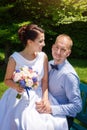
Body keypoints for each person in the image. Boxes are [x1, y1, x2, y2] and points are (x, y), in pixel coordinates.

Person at [0, 25, 68, 130]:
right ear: (30, 42)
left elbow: (45, 80)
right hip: (19, 96)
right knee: (25, 121)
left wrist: (45, 99)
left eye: (43, 40)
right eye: (40, 41)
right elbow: (7, 80)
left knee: (52, 122)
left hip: (39, 95)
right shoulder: (14, 59)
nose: (44, 44)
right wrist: (16, 86)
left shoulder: (43, 57)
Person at [36, 34, 82, 130]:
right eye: (56, 47)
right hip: (46, 105)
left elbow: (77, 106)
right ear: (52, 47)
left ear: (68, 53)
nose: (58, 52)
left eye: (63, 50)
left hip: (62, 118)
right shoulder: (49, 63)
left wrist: (51, 109)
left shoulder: (69, 76)